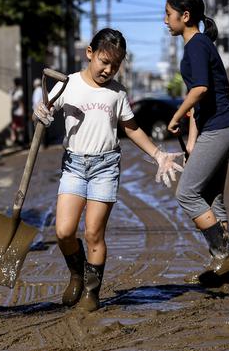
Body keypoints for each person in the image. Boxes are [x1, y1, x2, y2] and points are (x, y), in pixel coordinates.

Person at [34, 28, 184, 312]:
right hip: (74, 165)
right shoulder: (68, 84)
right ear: (89, 53)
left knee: (93, 234)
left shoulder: (117, 93)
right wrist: (40, 114)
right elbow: (44, 110)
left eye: (115, 65)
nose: (108, 70)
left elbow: (132, 129)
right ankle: (77, 274)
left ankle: (92, 291)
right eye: (104, 61)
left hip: (105, 167)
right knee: (64, 232)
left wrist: (158, 154)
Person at [164, 0, 229, 282]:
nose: (165, 20)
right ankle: (221, 267)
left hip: (221, 126)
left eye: (169, 15)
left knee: (187, 193)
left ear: (185, 16)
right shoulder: (199, 44)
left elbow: (200, 90)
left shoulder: (196, 45)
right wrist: (193, 140)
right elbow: (199, 101)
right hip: (219, 125)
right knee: (212, 197)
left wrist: (174, 116)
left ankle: (224, 254)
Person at [10, 77, 25, 144]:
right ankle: (19, 139)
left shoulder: (12, 91)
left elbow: (12, 100)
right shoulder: (20, 91)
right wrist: (23, 110)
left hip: (13, 110)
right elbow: (20, 102)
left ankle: (15, 139)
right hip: (19, 111)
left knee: (15, 125)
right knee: (20, 126)